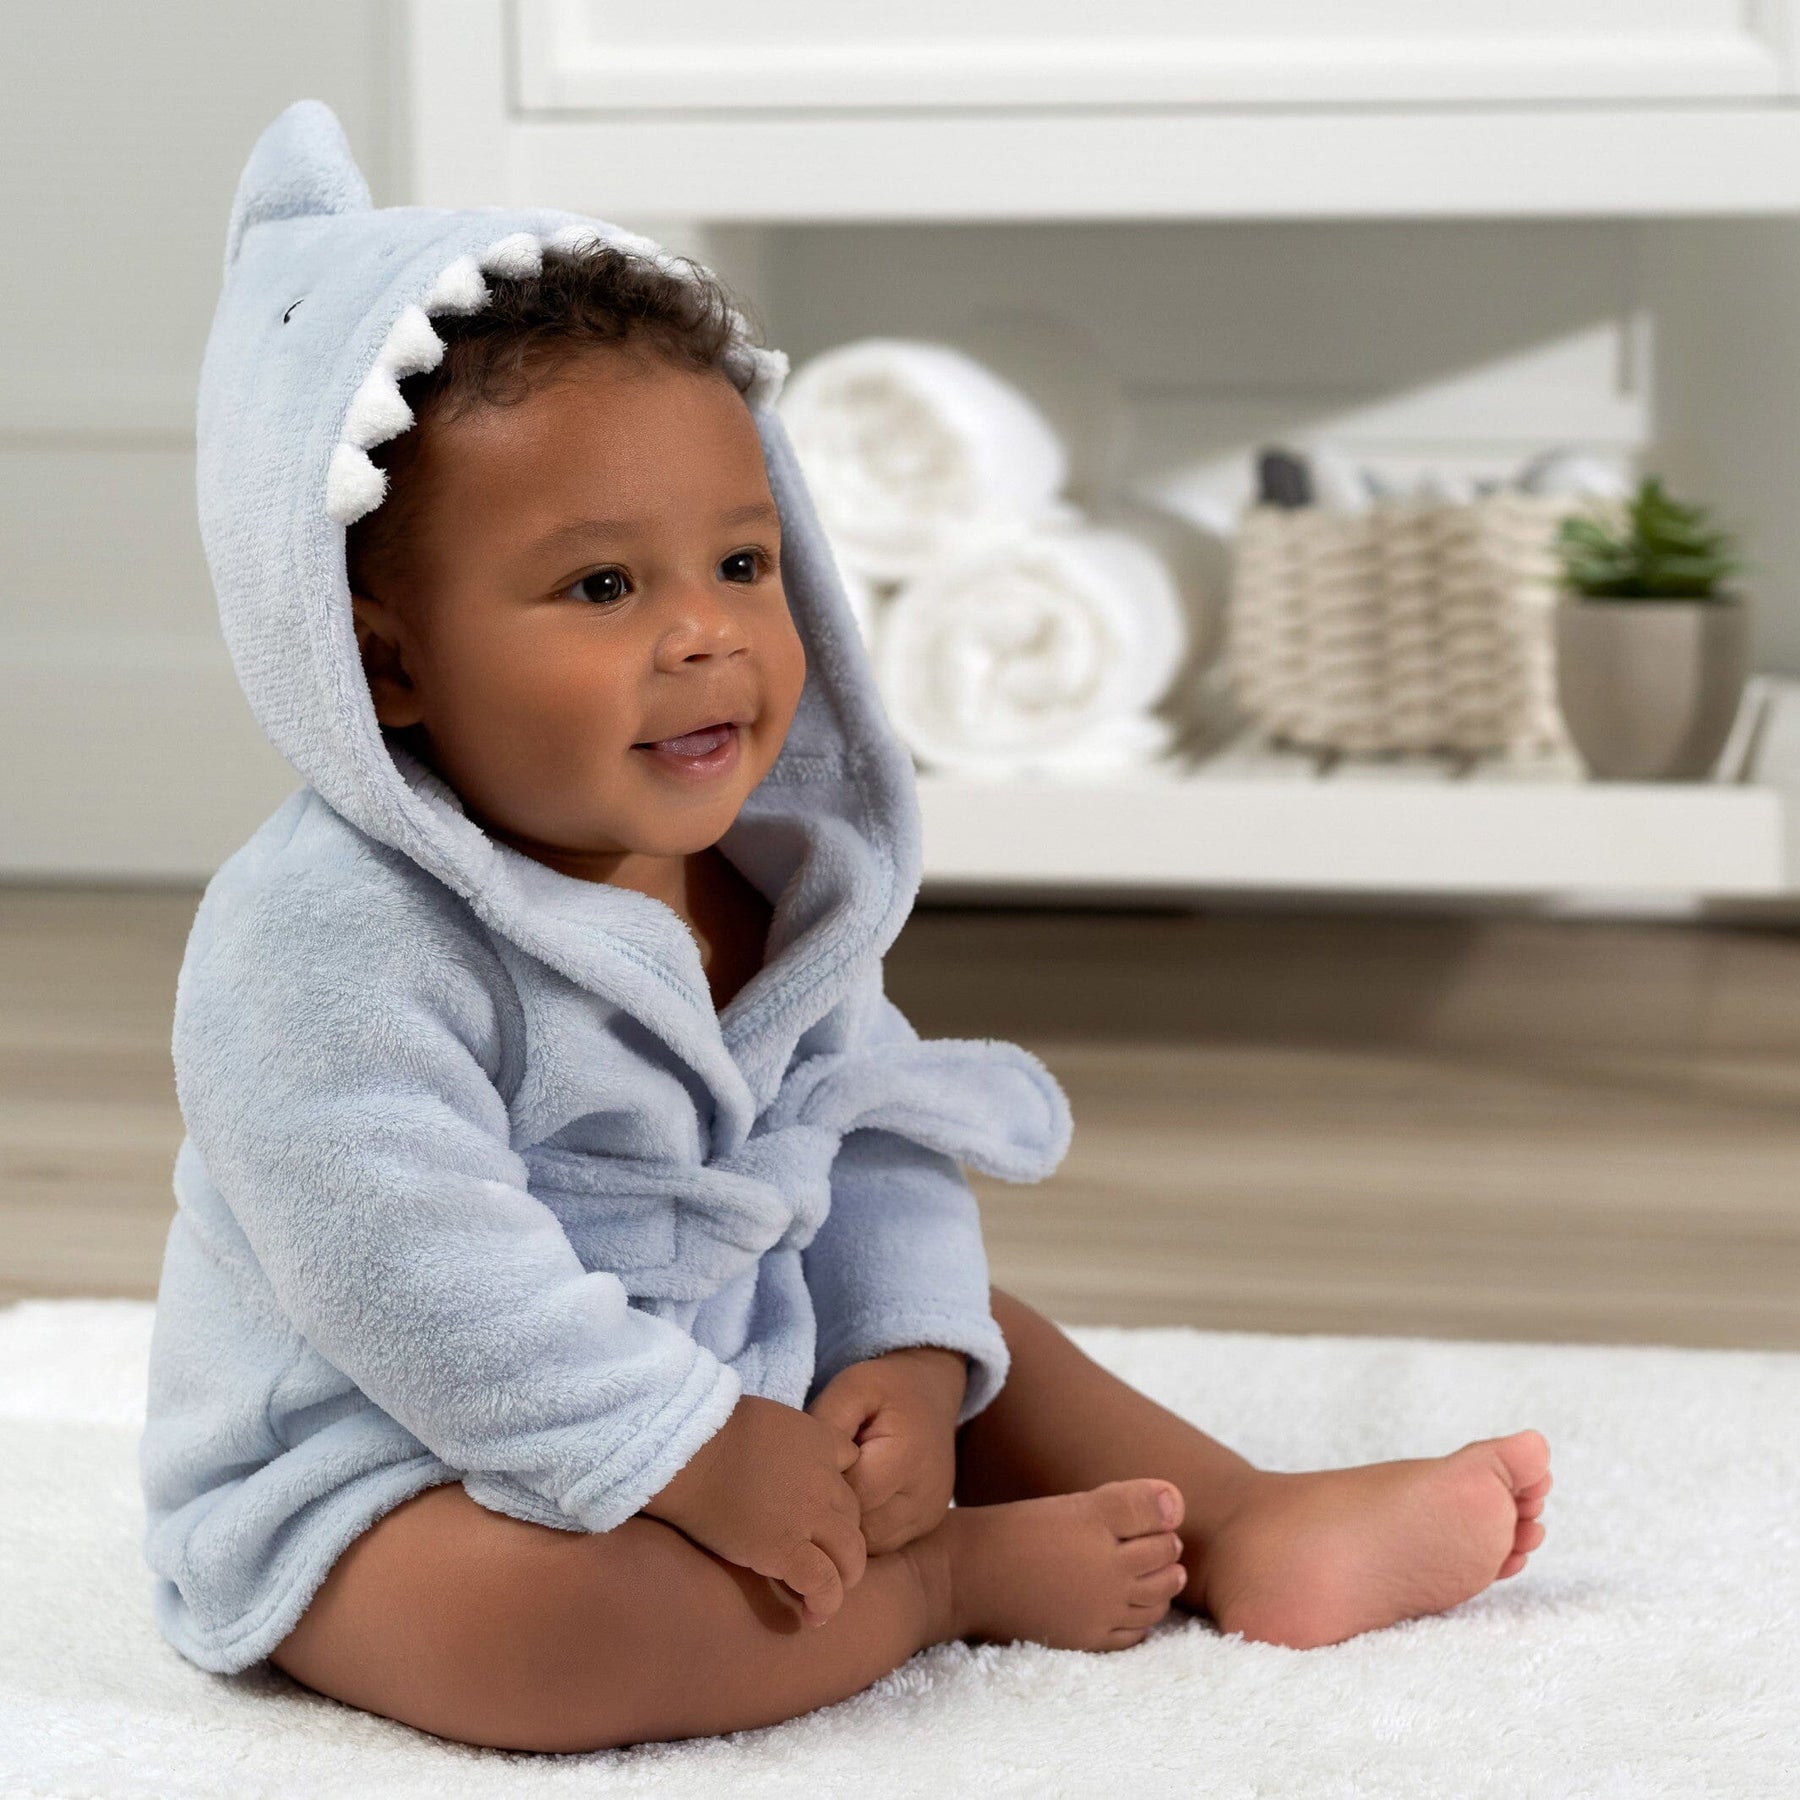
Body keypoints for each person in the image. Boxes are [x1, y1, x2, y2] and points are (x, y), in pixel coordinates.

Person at [138, 102, 1551, 1755]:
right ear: (386, 664)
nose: (707, 637)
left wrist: (906, 1358)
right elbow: (407, 1272)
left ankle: (1244, 1519)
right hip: (390, 1456)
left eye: (742, 562)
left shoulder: (767, 883)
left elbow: (860, 1132)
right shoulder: (324, 940)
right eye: (603, 588)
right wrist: (686, 1450)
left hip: (727, 1363)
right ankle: (939, 1589)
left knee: (984, 1335)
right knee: (535, 1633)